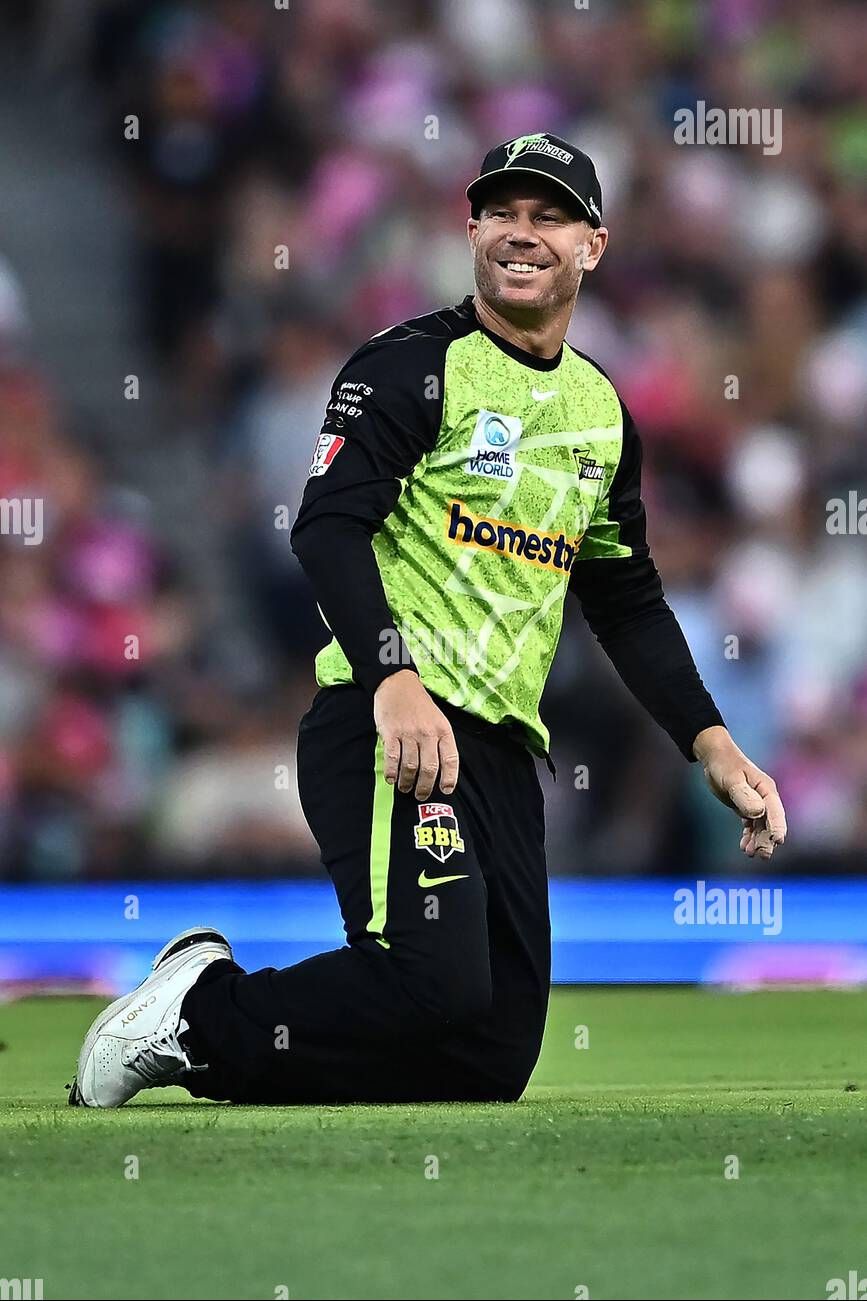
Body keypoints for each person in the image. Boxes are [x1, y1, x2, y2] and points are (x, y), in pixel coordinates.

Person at [70, 133, 786, 1108]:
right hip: (389, 726)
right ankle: (198, 1012)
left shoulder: (601, 412)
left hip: (500, 749)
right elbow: (327, 529)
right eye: (502, 212)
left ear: (595, 246)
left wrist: (710, 740)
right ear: (472, 230)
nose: (520, 234)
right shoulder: (415, 366)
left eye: (548, 216)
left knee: (488, 1055)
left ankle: (207, 1032)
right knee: (434, 978)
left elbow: (624, 596)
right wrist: (394, 681)